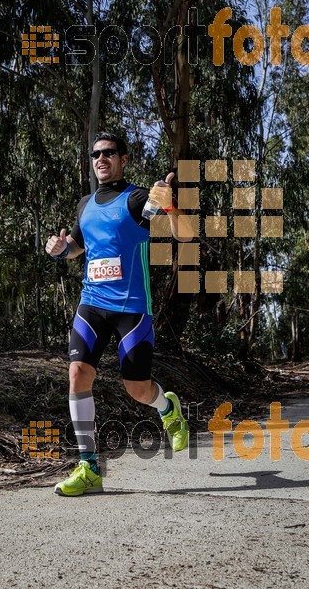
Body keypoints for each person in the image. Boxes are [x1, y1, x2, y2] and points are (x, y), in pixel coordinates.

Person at [45, 131, 194, 497]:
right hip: (92, 303)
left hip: (131, 310)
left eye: (109, 153)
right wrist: (59, 249)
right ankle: (89, 467)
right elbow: (77, 248)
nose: (101, 159)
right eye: (96, 154)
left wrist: (172, 207)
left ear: (124, 159)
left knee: (137, 389)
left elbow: (186, 236)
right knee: (78, 373)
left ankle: (167, 407)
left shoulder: (138, 199)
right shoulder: (86, 204)